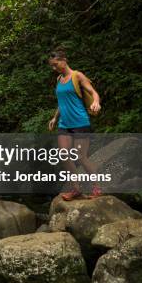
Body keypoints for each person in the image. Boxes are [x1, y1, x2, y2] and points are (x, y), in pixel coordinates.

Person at [48, 49, 102, 200]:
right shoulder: (59, 79)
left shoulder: (77, 76)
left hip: (80, 122)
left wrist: (96, 102)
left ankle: (96, 187)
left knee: (81, 157)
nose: (54, 68)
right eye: (52, 66)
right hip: (64, 123)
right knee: (63, 155)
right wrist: (54, 118)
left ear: (64, 60)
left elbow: (93, 93)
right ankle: (76, 189)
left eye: (55, 64)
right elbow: (62, 102)